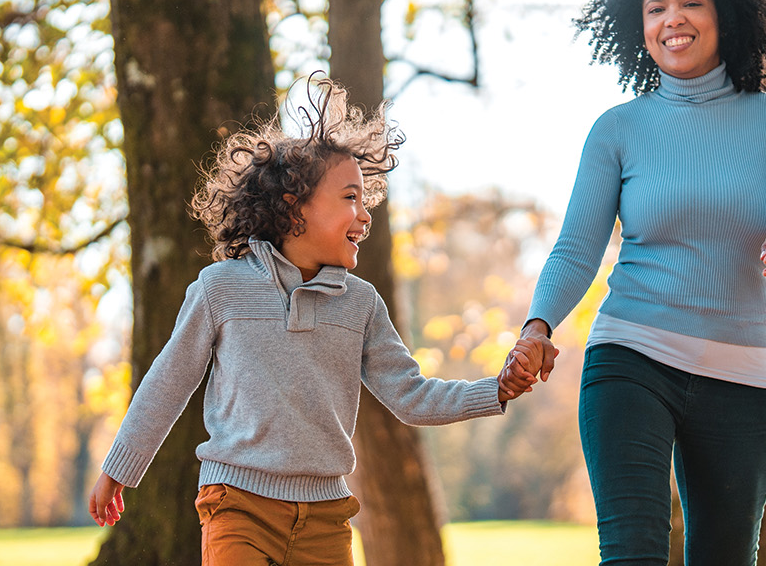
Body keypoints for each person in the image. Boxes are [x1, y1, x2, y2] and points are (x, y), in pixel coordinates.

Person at [86, 78, 540, 565]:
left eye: (365, 200)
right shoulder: (220, 288)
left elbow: (412, 396)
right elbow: (167, 382)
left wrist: (494, 390)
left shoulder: (361, 304)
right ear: (294, 206)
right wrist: (119, 469)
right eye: (350, 197)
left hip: (326, 519)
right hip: (237, 505)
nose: (365, 215)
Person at [503, 0, 766, 564]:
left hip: (740, 374)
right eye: (656, 9)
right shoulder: (618, 129)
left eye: (690, 3)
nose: (672, 19)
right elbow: (577, 248)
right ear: (641, 26)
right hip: (633, 355)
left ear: (725, 14)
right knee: (632, 552)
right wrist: (537, 325)